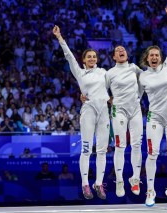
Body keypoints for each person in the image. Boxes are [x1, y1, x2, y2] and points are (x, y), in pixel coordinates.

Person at [53, 25, 110, 200]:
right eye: (89, 57)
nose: (92, 58)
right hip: (88, 112)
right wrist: (60, 38)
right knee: (86, 150)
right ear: (84, 60)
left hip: (104, 113)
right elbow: (69, 56)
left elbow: (117, 85)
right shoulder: (80, 73)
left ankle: (98, 183)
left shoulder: (104, 72)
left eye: (94, 56)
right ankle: (85, 184)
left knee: (102, 151)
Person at [139, 7, 167, 206]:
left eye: (157, 55)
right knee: (152, 154)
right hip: (154, 117)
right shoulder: (142, 76)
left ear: (161, 57)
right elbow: (134, 96)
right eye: (151, 55)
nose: (154, 57)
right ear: (147, 59)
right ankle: (150, 192)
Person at [105, 33, 144, 197]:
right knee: (120, 146)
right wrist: (109, 99)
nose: (121, 50)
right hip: (119, 110)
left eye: (123, 49)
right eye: (117, 50)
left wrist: (139, 96)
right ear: (114, 56)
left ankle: (135, 179)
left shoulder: (134, 68)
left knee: (136, 144)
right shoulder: (110, 73)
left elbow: (146, 80)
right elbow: (101, 91)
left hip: (135, 110)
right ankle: (119, 180)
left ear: (127, 54)